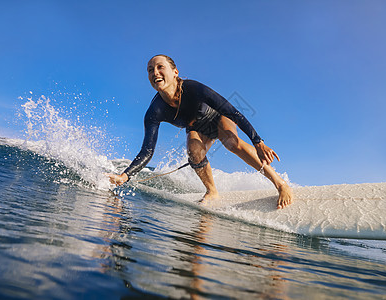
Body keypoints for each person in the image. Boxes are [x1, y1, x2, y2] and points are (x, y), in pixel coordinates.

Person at [107, 55, 293, 209]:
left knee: (231, 142)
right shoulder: (155, 111)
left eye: (160, 67)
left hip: (219, 117)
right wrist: (125, 175)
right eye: (150, 70)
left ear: (175, 72)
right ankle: (212, 191)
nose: (155, 72)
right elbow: (147, 150)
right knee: (194, 153)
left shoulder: (193, 88)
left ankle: (280, 184)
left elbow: (232, 111)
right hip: (197, 127)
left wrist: (258, 141)